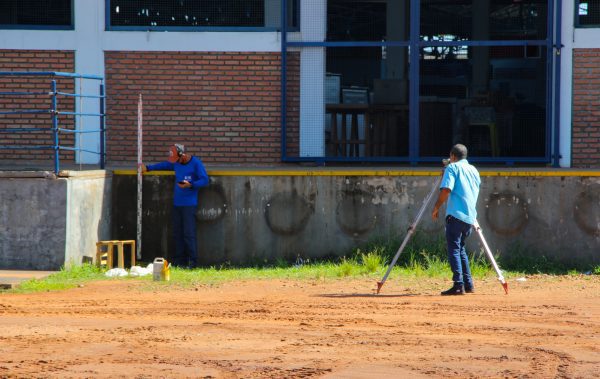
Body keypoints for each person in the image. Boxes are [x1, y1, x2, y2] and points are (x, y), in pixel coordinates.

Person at [142, 144, 209, 268]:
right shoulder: (175, 163)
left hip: (189, 205)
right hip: (177, 204)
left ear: (182, 155)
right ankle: (179, 261)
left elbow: (205, 180)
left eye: (176, 160)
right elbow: (164, 165)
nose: (175, 163)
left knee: (189, 233)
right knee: (177, 233)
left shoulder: (196, 163)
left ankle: (192, 262)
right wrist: (148, 167)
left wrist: (191, 184)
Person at [431, 144, 481, 296]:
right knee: (460, 249)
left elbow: (446, 189)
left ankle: (458, 285)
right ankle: (468, 284)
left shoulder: (452, 169)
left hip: (456, 215)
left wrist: (436, 207)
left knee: (454, 248)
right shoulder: (474, 170)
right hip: (470, 216)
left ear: (452, 156)